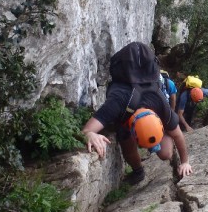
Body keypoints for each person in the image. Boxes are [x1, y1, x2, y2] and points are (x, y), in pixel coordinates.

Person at [82, 45, 192, 184]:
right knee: (126, 141)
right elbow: (87, 130)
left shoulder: (159, 102)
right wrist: (90, 134)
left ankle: (156, 138)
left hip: (143, 101)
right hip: (125, 114)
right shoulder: (118, 102)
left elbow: (177, 134)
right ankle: (138, 171)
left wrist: (185, 162)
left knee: (166, 154)